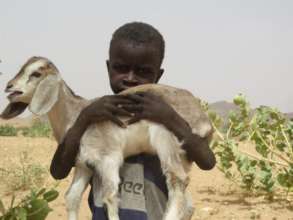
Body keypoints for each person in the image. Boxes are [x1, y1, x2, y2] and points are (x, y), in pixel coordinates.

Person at [50, 22, 216, 220]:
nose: (130, 78)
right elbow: (59, 171)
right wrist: (84, 118)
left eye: (143, 72)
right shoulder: (98, 116)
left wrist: (170, 118)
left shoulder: (165, 117)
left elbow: (207, 161)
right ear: (108, 68)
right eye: (121, 68)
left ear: (158, 75)